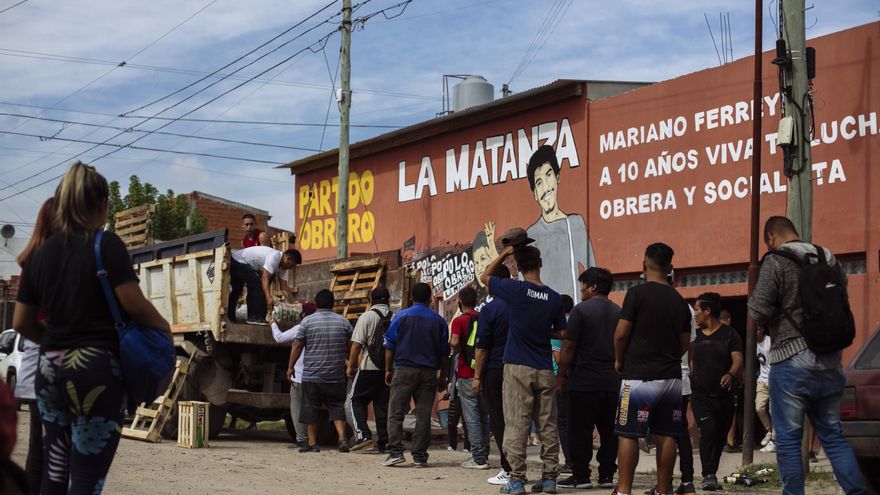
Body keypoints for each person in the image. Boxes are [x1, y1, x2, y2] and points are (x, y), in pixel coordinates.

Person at [14, 161, 172, 494]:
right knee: (86, 477)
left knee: (54, 473)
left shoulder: (39, 255)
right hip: (95, 372)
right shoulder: (106, 244)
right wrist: (163, 328)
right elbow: (133, 303)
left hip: (50, 371)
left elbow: (21, 322)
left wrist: (59, 344)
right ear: (101, 206)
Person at [747, 216, 866, 495]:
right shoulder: (829, 258)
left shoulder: (776, 260)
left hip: (792, 360)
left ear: (771, 237)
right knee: (833, 437)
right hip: (830, 360)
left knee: (788, 441)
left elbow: (757, 312)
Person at [480, 243, 566, 495]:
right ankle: (549, 477)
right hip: (544, 368)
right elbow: (561, 332)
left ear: (518, 266)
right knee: (547, 425)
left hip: (517, 366)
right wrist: (542, 332)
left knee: (516, 424)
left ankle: (517, 480)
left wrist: (505, 254)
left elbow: (486, 276)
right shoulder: (553, 297)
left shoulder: (515, 289)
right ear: (540, 264)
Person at [613, 242, 692, 495]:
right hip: (671, 378)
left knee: (628, 434)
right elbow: (684, 343)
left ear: (644, 265)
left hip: (638, 376)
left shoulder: (636, 294)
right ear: (670, 267)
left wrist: (618, 360)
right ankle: (663, 489)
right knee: (666, 434)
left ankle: (624, 491)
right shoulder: (680, 302)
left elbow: (621, 335)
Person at [556, 267, 620, 490]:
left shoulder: (580, 311)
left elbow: (569, 345)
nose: (581, 288)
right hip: (612, 382)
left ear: (593, 286)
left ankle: (581, 475)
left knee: (579, 430)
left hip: (583, 380)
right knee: (610, 431)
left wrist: (561, 376)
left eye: (583, 284)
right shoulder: (618, 311)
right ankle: (606, 475)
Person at [13, 197, 56, 495]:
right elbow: (29, 319)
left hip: (36, 359)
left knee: (39, 451)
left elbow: (23, 320)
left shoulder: (32, 258)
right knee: (50, 452)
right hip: (50, 361)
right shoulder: (50, 260)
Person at [383, 283, 450, 468]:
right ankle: (420, 456)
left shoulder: (401, 316)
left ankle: (396, 453)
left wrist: (388, 369)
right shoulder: (438, 321)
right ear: (430, 299)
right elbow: (444, 352)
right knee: (423, 415)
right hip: (428, 372)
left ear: (412, 297)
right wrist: (443, 375)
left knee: (395, 413)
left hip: (404, 369)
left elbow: (389, 345)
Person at [525, 145, 596, 299]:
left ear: (557, 178)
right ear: (535, 194)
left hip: (570, 316)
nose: (545, 188)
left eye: (548, 175)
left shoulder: (575, 224)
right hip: (542, 317)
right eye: (539, 183)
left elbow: (593, 273)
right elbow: (524, 284)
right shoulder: (530, 235)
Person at [287, 289, 352, 453]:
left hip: (312, 375)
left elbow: (297, 345)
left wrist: (290, 367)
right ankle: (342, 440)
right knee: (337, 407)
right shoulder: (344, 322)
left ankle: (313, 444)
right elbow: (351, 345)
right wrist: (350, 364)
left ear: (316, 304)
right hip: (335, 376)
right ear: (333, 304)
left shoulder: (307, 322)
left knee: (311, 408)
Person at [690, 292, 743, 491]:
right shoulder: (695, 335)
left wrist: (731, 373)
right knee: (708, 429)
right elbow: (687, 358)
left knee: (720, 434)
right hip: (700, 394)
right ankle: (708, 474)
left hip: (724, 395)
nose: (695, 314)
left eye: (697, 310)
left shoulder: (730, 334)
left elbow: (738, 358)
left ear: (707, 311)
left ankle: (712, 472)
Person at [473, 264, 513, 486]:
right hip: (520, 367)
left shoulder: (490, 310)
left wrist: (477, 377)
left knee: (498, 419)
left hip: (496, 370)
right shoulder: (521, 306)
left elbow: (482, 348)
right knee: (519, 419)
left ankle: (508, 467)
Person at [346, 287, 392, 453]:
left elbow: (357, 345)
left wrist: (351, 366)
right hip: (389, 369)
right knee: (382, 406)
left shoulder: (366, 317)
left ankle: (363, 437)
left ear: (371, 300)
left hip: (368, 366)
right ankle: (385, 442)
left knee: (355, 400)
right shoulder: (395, 317)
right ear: (388, 299)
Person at [449, 287, 490, 470]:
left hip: (466, 373)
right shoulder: (483, 318)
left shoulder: (459, 320)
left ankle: (479, 457)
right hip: (483, 373)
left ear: (460, 301)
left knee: (471, 416)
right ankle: (485, 452)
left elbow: (455, 342)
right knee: (484, 415)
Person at [269, 301, 317, 451]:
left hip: (300, 375)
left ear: (302, 314)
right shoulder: (320, 327)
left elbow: (280, 338)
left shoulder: (301, 327)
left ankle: (302, 440)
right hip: (317, 375)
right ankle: (313, 442)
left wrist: (272, 324)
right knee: (312, 408)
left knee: (297, 407)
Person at [227, 245, 301, 325]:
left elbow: (284, 287)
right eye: (292, 265)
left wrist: (295, 302)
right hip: (237, 261)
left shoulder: (282, 268)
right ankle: (253, 317)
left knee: (237, 290)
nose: (291, 268)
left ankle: (231, 316)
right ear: (288, 259)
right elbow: (265, 278)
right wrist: (269, 298)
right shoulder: (275, 256)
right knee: (257, 284)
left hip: (241, 262)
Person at [552, 294, 574, 475]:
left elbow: (559, 358)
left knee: (563, 422)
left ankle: (569, 462)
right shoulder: (576, 322)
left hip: (560, 379)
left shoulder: (557, 328)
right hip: (577, 377)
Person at [755, 326, 775, 453]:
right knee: (759, 407)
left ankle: (774, 440)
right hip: (762, 379)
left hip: (773, 379)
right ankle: (769, 430)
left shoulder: (769, 341)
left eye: (757, 329)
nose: (755, 332)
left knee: (773, 410)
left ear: (762, 329)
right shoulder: (753, 343)